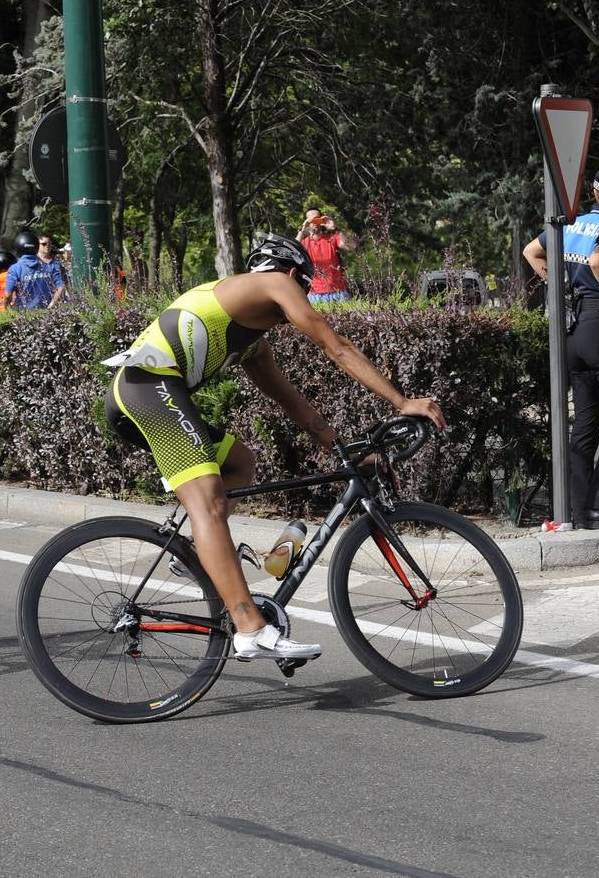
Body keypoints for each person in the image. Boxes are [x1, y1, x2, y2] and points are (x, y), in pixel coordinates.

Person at [102, 233, 446, 660]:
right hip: (147, 389)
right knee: (207, 505)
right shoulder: (273, 283)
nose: (304, 297)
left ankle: (196, 556)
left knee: (241, 462)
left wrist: (341, 448)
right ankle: (250, 628)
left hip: (152, 393)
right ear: (290, 273)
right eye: (306, 285)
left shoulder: (251, 340)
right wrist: (401, 401)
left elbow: (290, 401)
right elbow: (335, 345)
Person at [521, 164, 599, 529]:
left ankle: (579, 505)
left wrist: (558, 284)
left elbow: (532, 252)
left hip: (573, 330)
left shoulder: (571, 223)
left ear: (595, 191)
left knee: (586, 422)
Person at [295, 207, 358, 303]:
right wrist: (302, 230)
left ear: (322, 219)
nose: (314, 223)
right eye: (311, 220)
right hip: (314, 293)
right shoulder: (304, 242)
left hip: (338, 292)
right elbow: (292, 251)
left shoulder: (332, 238)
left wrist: (335, 229)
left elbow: (352, 246)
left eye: (317, 219)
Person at [5, 230, 66, 310]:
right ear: (37, 247)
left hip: (25, 315)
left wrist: (7, 309)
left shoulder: (15, 268)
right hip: (47, 315)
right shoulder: (51, 266)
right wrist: (51, 306)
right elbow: (61, 288)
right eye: (43, 244)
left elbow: (7, 295)